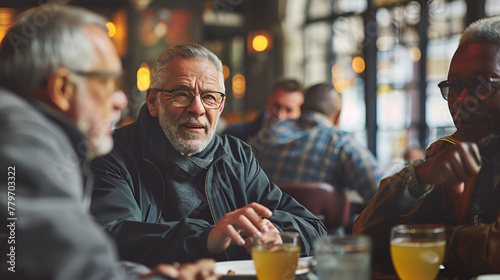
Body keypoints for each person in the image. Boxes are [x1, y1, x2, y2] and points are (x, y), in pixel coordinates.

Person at [0, 5, 216, 280]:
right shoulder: (21, 138)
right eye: (109, 83)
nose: (121, 101)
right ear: (62, 88)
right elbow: (63, 269)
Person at [89, 43, 326, 267]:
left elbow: (314, 227)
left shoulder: (236, 156)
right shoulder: (112, 152)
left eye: (210, 97)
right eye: (181, 94)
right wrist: (207, 237)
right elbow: (111, 235)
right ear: (153, 101)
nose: (198, 108)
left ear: (220, 107)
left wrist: (274, 233)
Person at [353, 15, 500, 277]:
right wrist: (419, 177)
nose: (461, 100)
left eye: (481, 85)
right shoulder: (445, 155)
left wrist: (425, 239)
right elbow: (367, 240)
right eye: (454, 86)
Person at [250, 83, 384, 205]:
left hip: (265, 228)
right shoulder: (340, 141)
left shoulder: (270, 131)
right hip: (321, 231)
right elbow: (382, 193)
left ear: (301, 108)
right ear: (337, 116)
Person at [222, 78, 305, 142]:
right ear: (268, 101)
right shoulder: (233, 135)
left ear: (301, 111)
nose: (280, 116)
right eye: (277, 106)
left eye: (288, 110)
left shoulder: (305, 143)